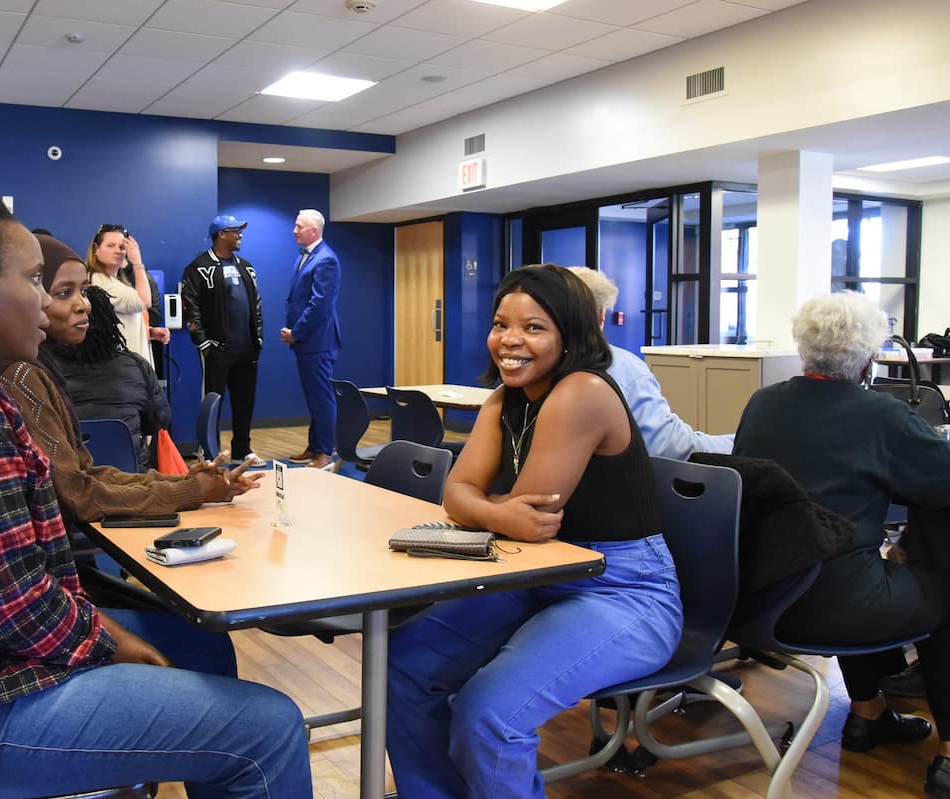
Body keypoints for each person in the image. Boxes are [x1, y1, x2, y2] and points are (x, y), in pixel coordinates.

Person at [0, 175, 312, 797]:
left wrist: (106, 634)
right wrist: (114, 644)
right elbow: (18, 611)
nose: (49, 302)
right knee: (267, 729)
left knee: (202, 653)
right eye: (34, 282)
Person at [386, 264, 684, 798]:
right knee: (404, 664)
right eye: (501, 324)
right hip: (534, 578)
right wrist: (496, 509)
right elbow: (459, 497)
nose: (510, 340)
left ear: (572, 334)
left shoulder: (581, 392)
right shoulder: (505, 398)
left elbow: (531, 521)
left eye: (534, 327)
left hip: (624, 591)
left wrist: (484, 503)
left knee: (489, 715)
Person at [732, 291, 950, 798]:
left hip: (758, 598)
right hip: (832, 608)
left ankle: (869, 715)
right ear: (871, 357)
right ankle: (946, 755)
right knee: (929, 589)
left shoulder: (763, 401)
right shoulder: (881, 415)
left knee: (850, 553)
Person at [2, 233, 262, 529]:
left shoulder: (42, 369)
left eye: (83, 291)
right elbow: (78, 496)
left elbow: (88, 474)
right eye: (63, 293)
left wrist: (185, 482)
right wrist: (191, 490)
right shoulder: (22, 376)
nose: (83, 305)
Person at [568, 266, 733, 458]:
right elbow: (669, 447)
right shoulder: (620, 368)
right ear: (601, 315)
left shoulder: (539, 369)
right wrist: (738, 442)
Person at [53, 283, 170, 472]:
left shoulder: (42, 371)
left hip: (72, 481)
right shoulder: (136, 366)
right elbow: (159, 421)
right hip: (133, 481)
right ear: (111, 322)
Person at [182, 214, 265, 466]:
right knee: (213, 403)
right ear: (221, 234)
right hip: (217, 350)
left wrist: (258, 338)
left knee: (244, 403)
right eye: (235, 231)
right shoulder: (198, 267)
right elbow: (190, 305)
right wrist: (203, 342)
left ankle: (243, 449)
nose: (240, 235)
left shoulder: (246, 266)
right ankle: (210, 453)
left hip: (247, 350)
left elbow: (257, 305)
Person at [281, 209, 341, 470]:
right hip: (307, 342)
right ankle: (315, 446)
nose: (294, 230)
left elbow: (319, 305)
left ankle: (325, 452)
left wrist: (296, 332)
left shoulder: (327, 260)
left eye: (299, 227)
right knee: (314, 396)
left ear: (314, 231)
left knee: (321, 397)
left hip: (316, 341)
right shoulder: (306, 257)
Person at [85, 223, 170, 369]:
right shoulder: (99, 281)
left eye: (122, 247)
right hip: (122, 369)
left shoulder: (116, 282)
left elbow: (120, 322)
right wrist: (137, 263)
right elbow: (144, 302)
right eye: (110, 245)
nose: (118, 251)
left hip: (129, 367)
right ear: (96, 249)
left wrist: (148, 331)